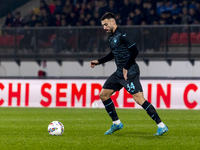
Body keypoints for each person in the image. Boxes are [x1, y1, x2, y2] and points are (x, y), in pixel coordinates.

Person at [90, 12, 169, 136]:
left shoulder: (122, 35)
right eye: (103, 25)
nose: (104, 28)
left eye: (105, 25)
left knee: (139, 99)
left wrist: (126, 67)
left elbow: (135, 51)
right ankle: (116, 123)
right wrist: (99, 61)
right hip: (119, 73)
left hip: (130, 71)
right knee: (103, 95)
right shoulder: (111, 36)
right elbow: (113, 53)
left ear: (113, 22)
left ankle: (161, 126)